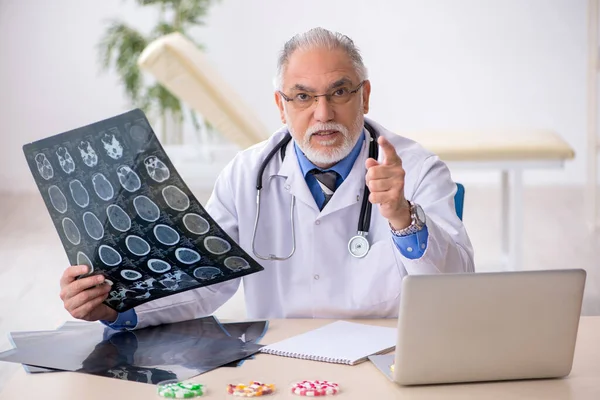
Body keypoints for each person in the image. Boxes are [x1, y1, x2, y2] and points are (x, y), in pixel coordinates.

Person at [59, 27, 474, 330]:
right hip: (280, 357)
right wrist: (117, 309)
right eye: (303, 96)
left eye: (340, 92)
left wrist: (402, 216)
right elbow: (206, 281)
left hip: (386, 355)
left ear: (364, 96)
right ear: (281, 105)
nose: (323, 113)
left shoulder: (417, 169)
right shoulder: (246, 174)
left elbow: (457, 289)